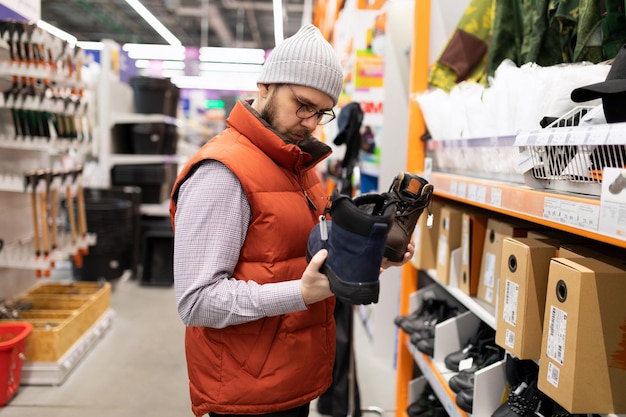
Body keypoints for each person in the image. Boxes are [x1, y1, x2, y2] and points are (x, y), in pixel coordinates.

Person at [169, 24, 414, 417]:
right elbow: (197, 302)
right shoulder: (223, 172)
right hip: (246, 393)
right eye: (302, 104)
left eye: (321, 112)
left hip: (289, 378)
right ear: (266, 85)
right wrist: (300, 294)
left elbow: (300, 260)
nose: (310, 121)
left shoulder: (296, 163)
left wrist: (370, 259)